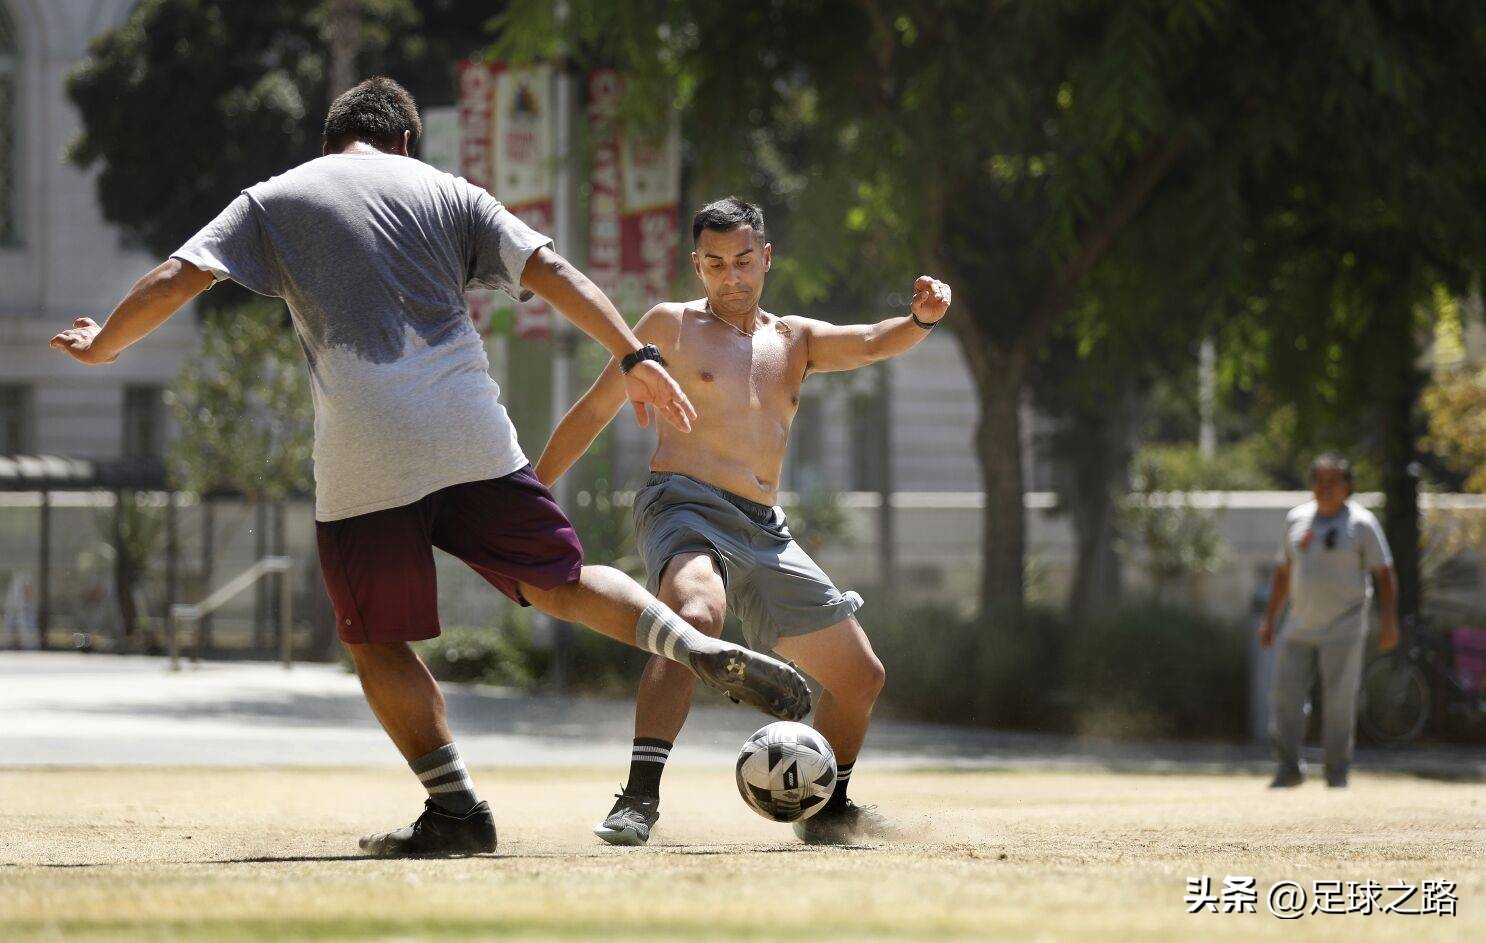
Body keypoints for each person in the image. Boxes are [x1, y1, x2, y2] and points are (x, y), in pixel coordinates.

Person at [49, 78, 809, 857]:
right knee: (561, 579)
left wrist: (105, 342)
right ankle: (690, 642)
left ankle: (456, 809)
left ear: (331, 140)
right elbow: (553, 272)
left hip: (363, 453)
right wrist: (634, 353)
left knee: (376, 640)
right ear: (405, 141)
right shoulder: (451, 192)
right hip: (470, 431)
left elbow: (182, 274)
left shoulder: (276, 196)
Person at [535, 196, 951, 845]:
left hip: (764, 528)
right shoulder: (667, 326)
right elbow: (593, 412)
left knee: (861, 676)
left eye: (744, 261)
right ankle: (638, 798)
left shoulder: (795, 340)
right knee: (693, 618)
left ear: (766, 258)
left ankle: (828, 808)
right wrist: (531, 491)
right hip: (683, 503)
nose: (731, 276)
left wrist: (920, 319)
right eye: (716, 263)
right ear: (697, 264)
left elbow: (872, 342)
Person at [1258, 453, 1398, 789]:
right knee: (1285, 696)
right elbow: (1282, 571)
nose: (1325, 488)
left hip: (1344, 626)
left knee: (1339, 701)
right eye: (1319, 481)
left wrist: (1390, 621)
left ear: (1348, 486)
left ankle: (1336, 771)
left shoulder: (1362, 523)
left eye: (1333, 481)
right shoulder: (1296, 520)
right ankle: (1288, 767)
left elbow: (1384, 574)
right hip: (1298, 625)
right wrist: (1269, 619)